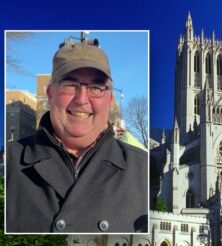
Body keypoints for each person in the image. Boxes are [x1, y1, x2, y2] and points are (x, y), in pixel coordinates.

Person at [6, 35, 149, 233]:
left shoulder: (142, 169)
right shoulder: (10, 162)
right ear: (50, 94)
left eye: (96, 87)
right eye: (70, 85)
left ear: (109, 98)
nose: (82, 99)